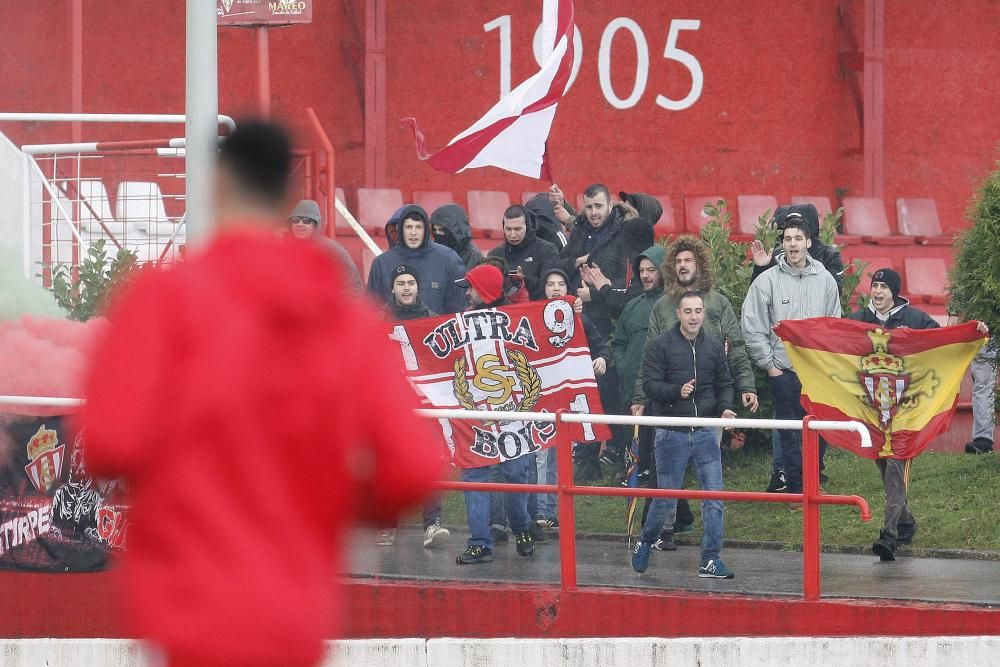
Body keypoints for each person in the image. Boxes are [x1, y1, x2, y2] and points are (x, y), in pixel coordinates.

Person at [79, 120, 442, 667]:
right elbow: (412, 467)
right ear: (286, 198)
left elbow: (108, 443)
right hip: (294, 615)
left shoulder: (163, 301)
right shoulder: (344, 321)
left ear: (218, 184)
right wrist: (325, 506)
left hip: (189, 612)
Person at [634, 236, 758, 547]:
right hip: (669, 407)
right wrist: (639, 398)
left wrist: (746, 386)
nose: (682, 265)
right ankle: (663, 532)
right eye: (677, 261)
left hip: (709, 404)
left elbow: (737, 347)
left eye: (688, 260)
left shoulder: (718, 303)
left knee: (709, 480)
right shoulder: (663, 306)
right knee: (667, 478)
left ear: (698, 264)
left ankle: (711, 548)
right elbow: (648, 355)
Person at [631, 291, 737, 579]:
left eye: (698, 311)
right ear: (678, 313)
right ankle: (646, 539)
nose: (693, 316)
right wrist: (676, 391)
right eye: (688, 311)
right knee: (665, 498)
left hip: (705, 431)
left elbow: (725, 383)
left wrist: (726, 408)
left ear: (704, 313)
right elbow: (650, 385)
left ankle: (710, 559)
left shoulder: (714, 347)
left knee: (714, 498)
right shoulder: (660, 345)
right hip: (670, 433)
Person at [742, 218, 841, 501]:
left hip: (817, 373)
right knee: (789, 433)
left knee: (818, 429)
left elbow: (834, 325)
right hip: (783, 372)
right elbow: (752, 325)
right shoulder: (767, 280)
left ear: (808, 243)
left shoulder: (825, 280)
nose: (793, 244)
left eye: (798, 238)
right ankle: (797, 489)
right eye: (787, 239)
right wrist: (770, 366)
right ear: (782, 244)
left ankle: (813, 483)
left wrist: (828, 366)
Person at [848, 268, 939, 560]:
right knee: (886, 471)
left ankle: (889, 535)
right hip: (873, 412)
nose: (877, 292)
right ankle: (906, 522)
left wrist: (973, 333)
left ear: (895, 291)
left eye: (884, 287)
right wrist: (790, 330)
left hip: (906, 412)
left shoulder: (916, 320)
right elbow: (828, 335)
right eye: (874, 286)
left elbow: (946, 340)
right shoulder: (860, 319)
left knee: (896, 468)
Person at [453, 263, 535, 564]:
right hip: (473, 414)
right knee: (474, 474)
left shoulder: (516, 316)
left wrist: (571, 306)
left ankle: (523, 529)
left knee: (515, 474)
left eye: (471, 287)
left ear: (485, 291)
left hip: (513, 411)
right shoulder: (459, 321)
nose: (467, 293)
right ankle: (480, 542)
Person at [377, 264, 451, 549]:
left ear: (417, 287)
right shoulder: (379, 322)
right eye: (401, 283)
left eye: (411, 282)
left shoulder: (432, 321)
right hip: (391, 408)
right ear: (393, 288)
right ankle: (386, 525)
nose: (407, 287)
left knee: (428, 463)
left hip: (424, 407)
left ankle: (432, 524)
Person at [367, 204, 467, 314]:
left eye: (418, 227)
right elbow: (372, 310)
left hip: (437, 330)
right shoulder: (381, 264)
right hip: (393, 331)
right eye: (408, 227)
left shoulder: (449, 259)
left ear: (426, 230)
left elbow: (458, 309)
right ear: (400, 229)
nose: (413, 232)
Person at [286, 198, 363, 295]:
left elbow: (353, 289)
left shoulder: (333, 250)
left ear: (315, 225)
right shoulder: (285, 251)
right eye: (295, 220)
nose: (300, 224)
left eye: (306, 221)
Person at [487, 204, 559, 301]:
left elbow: (550, 288)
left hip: (536, 309)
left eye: (517, 229)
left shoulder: (547, 250)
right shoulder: (495, 255)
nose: (512, 235)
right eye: (508, 229)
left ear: (527, 227)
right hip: (505, 311)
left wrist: (524, 280)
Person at [430, 203, 484, 270]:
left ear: (454, 232)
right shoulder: (432, 252)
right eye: (435, 230)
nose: (437, 233)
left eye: (441, 230)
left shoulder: (474, 257)